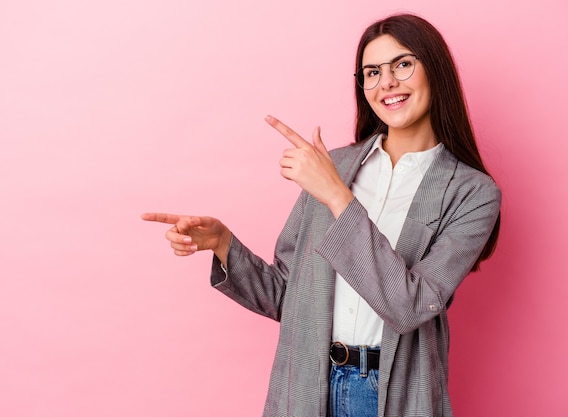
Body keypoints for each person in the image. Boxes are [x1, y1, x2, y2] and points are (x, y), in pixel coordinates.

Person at [142, 13, 501, 417]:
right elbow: (287, 296)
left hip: (389, 395)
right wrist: (224, 244)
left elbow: (410, 307)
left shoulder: (472, 193)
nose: (386, 83)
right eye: (371, 72)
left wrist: (336, 195)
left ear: (434, 70)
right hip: (307, 387)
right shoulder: (335, 166)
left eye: (402, 64)